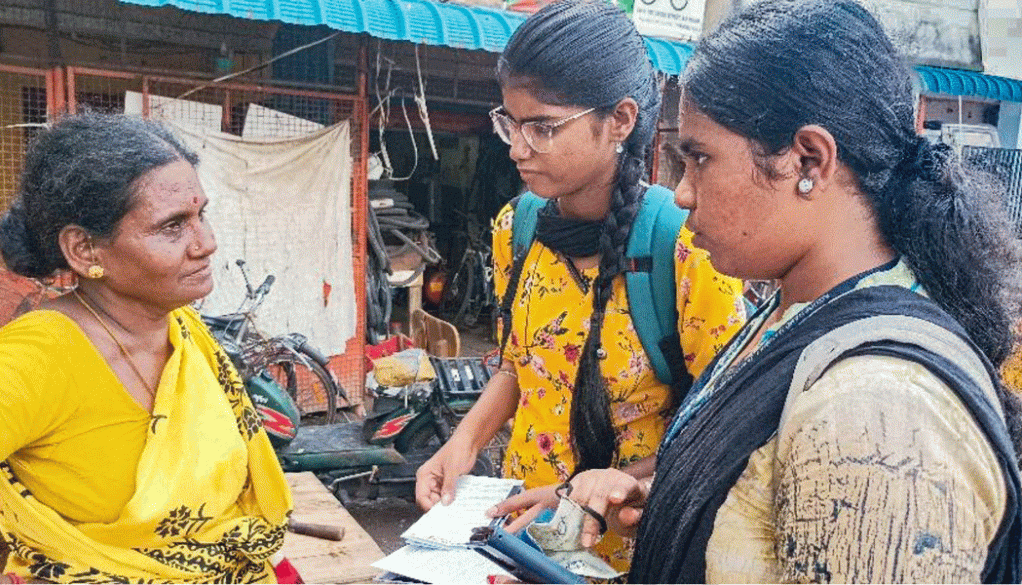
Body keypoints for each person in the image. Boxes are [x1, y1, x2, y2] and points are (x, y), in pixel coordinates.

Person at [490, 0, 1022, 582]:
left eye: (700, 159)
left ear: (808, 160)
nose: (684, 193)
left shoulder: (880, 416)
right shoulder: (791, 314)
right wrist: (653, 492)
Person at [415, 0, 745, 573]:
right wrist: (463, 442)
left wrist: (615, 484)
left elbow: (726, 430)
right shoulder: (516, 229)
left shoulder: (688, 246)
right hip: (518, 537)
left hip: (630, 552)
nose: (517, 148)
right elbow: (519, 365)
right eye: (509, 123)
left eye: (542, 127)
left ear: (618, 120)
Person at [0, 113, 293, 583]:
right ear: (86, 251)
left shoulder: (183, 328)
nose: (207, 243)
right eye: (173, 226)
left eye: (202, 215)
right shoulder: (38, 356)